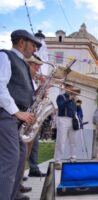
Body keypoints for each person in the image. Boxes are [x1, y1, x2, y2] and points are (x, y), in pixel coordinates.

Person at [0, 29, 41, 200]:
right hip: (7, 115)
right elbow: (0, 86)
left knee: (20, 158)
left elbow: (20, 91)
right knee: (10, 159)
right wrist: (17, 112)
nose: (35, 49)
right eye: (33, 44)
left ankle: (14, 194)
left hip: (18, 118)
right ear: (22, 42)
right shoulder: (5, 56)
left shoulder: (22, 63)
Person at [54, 83, 78, 170]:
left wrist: (77, 103)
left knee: (73, 140)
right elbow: (61, 106)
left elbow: (76, 110)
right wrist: (69, 99)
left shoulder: (74, 98)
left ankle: (73, 157)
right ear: (65, 88)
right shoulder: (61, 97)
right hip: (63, 119)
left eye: (72, 87)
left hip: (72, 119)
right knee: (61, 140)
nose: (71, 88)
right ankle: (58, 161)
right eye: (69, 87)